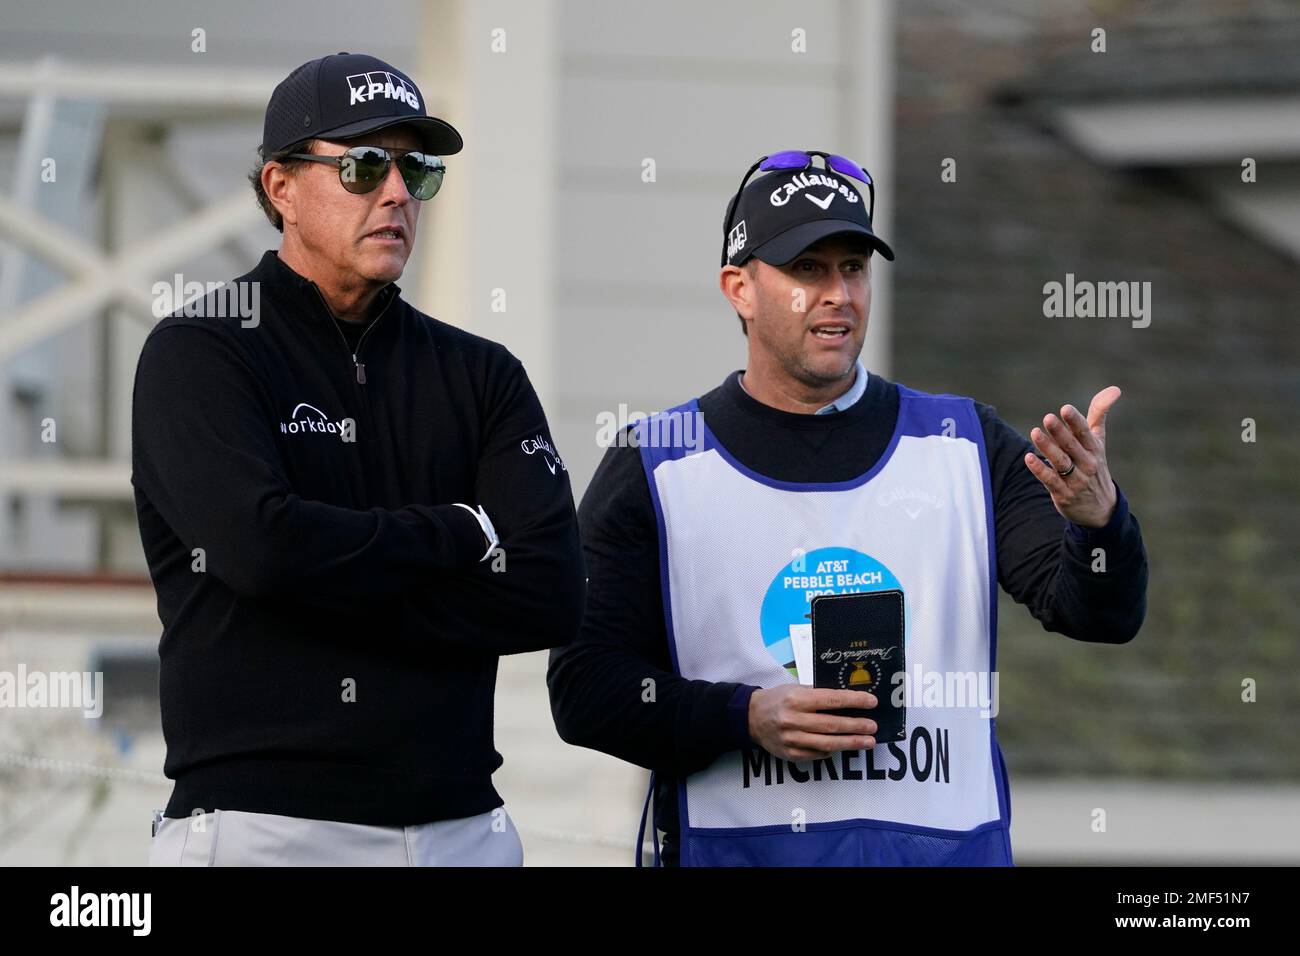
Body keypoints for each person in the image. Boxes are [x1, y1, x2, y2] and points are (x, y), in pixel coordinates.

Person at [547, 149, 1148, 866]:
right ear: (739, 288)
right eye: (807, 269)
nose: (838, 292)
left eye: (853, 267)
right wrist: (744, 717)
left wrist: (1097, 522)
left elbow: (1099, 616)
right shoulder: (658, 461)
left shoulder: (965, 443)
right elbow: (584, 690)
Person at [134, 52, 584, 866]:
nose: (398, 193)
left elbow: (552, 591)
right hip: (263, 829)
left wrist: (325, 577)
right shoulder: (198, 354)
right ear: (281, 188)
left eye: (417, 170)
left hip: (460, 829)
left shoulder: (481, 373)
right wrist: (457, 535)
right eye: (365, 166)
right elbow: (262, 550)